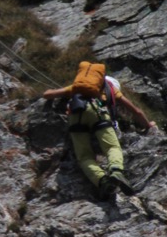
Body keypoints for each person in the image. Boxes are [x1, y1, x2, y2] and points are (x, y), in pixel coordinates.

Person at [42, 62, 156, 200]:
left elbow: (47, 94)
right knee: (112, 147)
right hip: (96, 112)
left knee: (84, 157)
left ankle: (102, 181)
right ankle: (115, 171)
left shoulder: (78, 88)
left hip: (75, 114)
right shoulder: (112, 90)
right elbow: (136, 111)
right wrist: (148, 125)